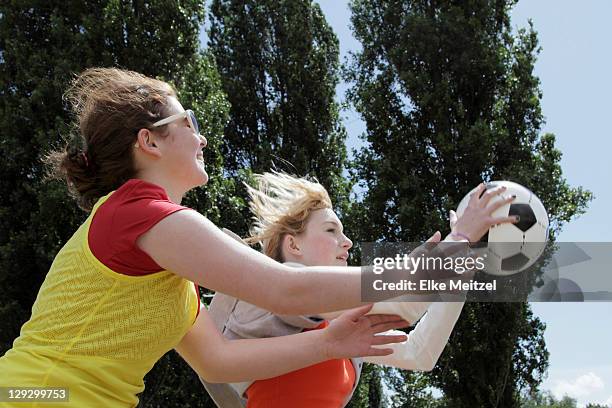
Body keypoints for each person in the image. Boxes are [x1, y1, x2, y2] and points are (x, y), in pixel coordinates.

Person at [0, 68, 515, 407]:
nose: (201, 136)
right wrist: (439, 257)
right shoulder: (138, 213)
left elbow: (218, 362)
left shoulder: (172, 276)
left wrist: (329, 341)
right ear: (149, 140)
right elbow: (283, 290)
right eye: (189, 120)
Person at [203, 173, 484, 408]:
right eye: (330, 230)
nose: (347, 242)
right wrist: (459, 240)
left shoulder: (346, 322)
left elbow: (419, 352)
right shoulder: (269, 294)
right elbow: (406, 306)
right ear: (294, 245)